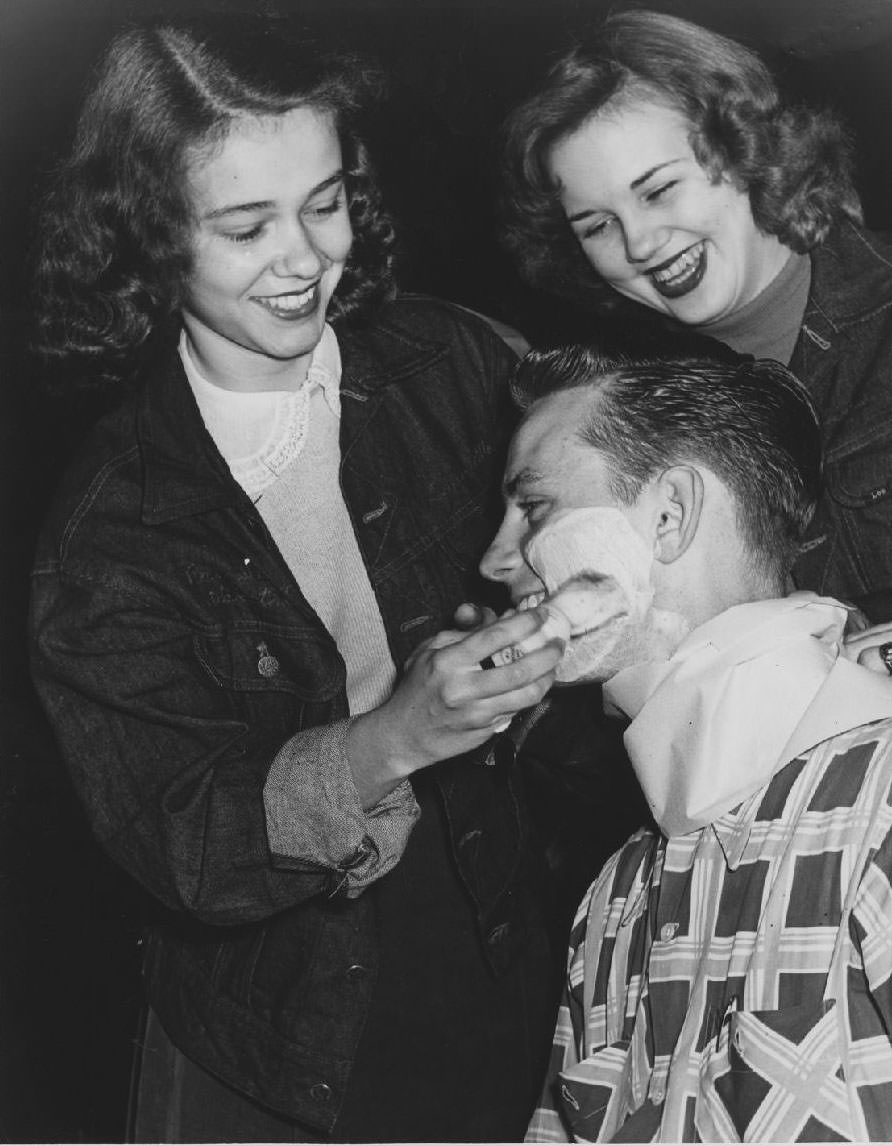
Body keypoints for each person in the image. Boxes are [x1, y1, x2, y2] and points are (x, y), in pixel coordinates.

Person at [28, 17, 576, 1142]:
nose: (304, 259)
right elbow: (187, 842)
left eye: (324, 204)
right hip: (292, 1019)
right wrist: (395, 738)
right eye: (245, 227)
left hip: (519, 919)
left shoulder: (457, 360)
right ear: (147, 236)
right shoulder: (109, 532)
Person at [478, 342, 892, 1141]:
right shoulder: (614, 902)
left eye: (534, 508)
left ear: (668, 514)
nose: (494, 560)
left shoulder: (879, 803)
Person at [500, 8, 892, 635]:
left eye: (658, 190)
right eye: (598, 226)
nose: (639, 243)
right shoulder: (636, 399)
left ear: (746, 153)